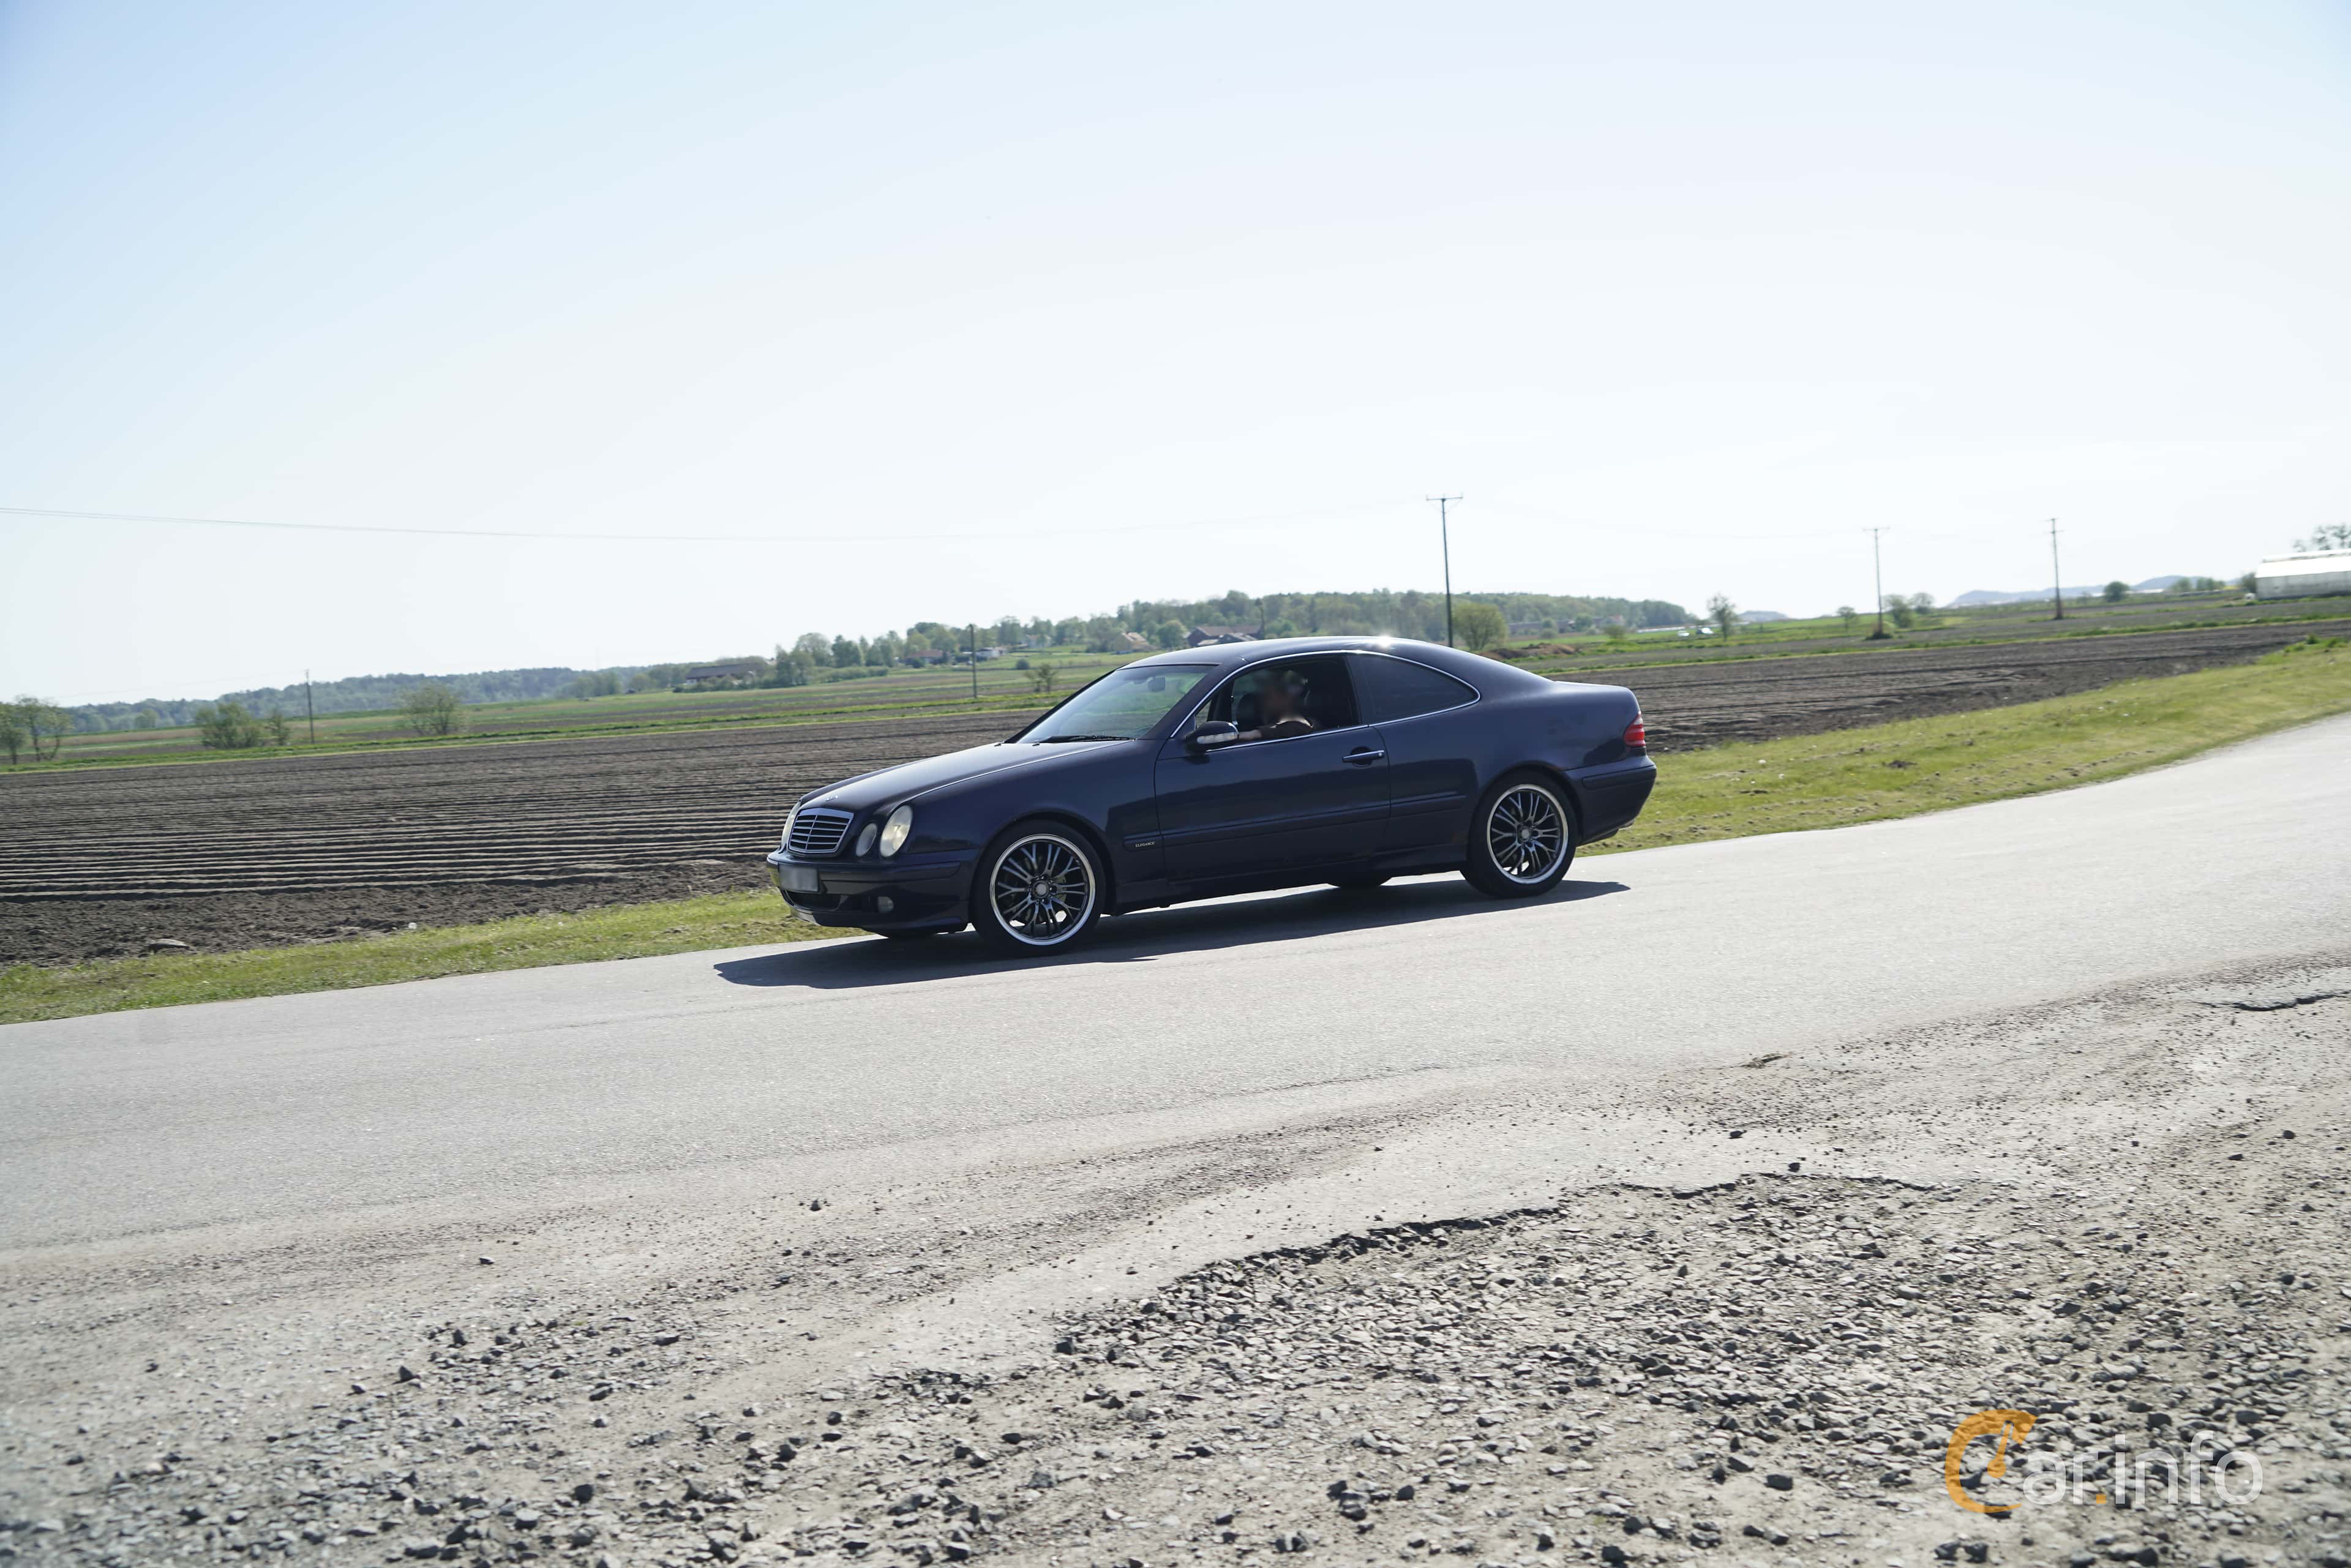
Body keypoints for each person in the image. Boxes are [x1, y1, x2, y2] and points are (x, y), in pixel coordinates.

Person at [1231, 667, 1314, 743]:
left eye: (1269, 695)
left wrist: (1256, 734)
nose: (1264, 699)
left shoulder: (1305, 726)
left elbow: (1301, 727)